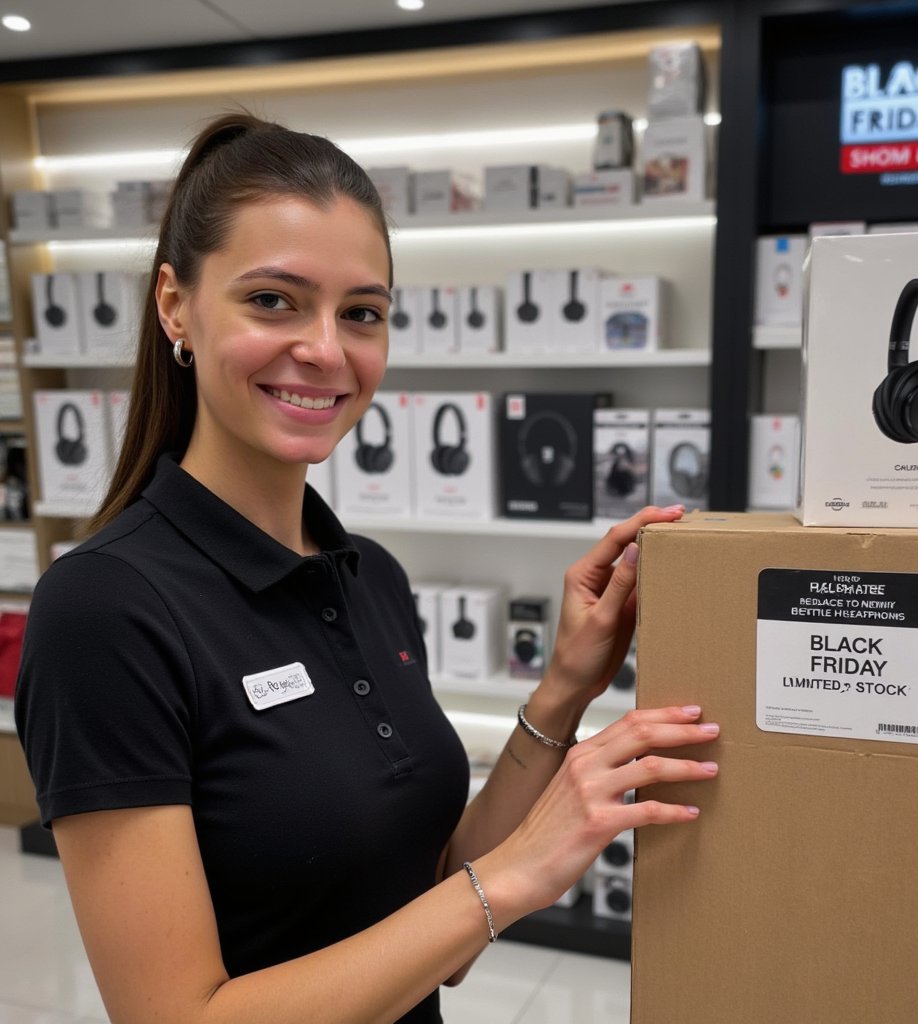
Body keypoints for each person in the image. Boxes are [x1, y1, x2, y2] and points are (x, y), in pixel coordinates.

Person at [14, 113, 719, 1024]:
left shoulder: (370, 577)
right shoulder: (103, 612)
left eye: (362, 313)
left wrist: (562, 693)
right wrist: (509, 877)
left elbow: (431, 919)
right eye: (273, 300)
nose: (326, 350)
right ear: (174, 305)